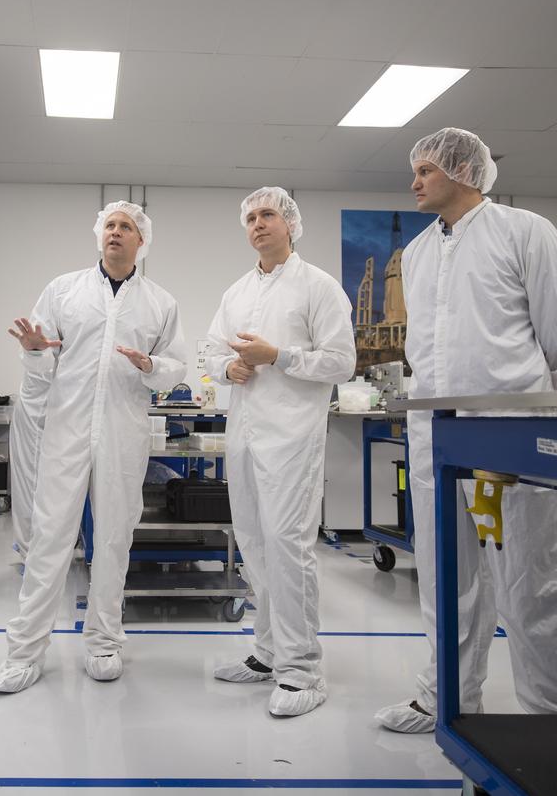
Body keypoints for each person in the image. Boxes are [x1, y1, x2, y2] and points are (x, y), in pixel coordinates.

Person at [375, 128, 557, 735]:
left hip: (513, 429)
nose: (415, 181)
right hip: (436, 429)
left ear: (464, 172)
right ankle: (446, 695)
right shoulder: (418, 252)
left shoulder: (525, 232)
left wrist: (531, 402)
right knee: (446, 570)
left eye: (426, 169)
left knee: (535, 575)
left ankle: (556, 714)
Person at [0, 202, 186, 693]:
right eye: (110, 226)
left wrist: (151, 366)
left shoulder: (160, 303)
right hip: (67, 431)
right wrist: (35, 351)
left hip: (123, 433)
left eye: (126, 227)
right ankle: (25, 650)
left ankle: (103, 641)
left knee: (115, 538)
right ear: (99, 235)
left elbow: (177, 367)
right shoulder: (64, 291)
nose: (115, 232)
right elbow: (40, 369)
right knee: (50, 538)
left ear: (142, 241)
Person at [205, 187, 356, 718]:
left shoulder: (319, 287)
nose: (258, 223)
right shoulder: (238, 291)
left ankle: (301, 671)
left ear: (290, 223)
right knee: (253, 543)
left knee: (288, 548)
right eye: (250, 217)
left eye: (268, 214)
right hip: (244, 434)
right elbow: (211, 348)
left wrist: (279, 357)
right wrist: (229, 368)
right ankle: (268, 654)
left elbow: (341, 362)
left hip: (292, 438)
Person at [9, 367, 50, 560]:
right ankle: (31, 553)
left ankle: (33, 550)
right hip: (34, 417)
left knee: (37, 488)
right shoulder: (46, 356)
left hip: (40, 414)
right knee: (32, 487)